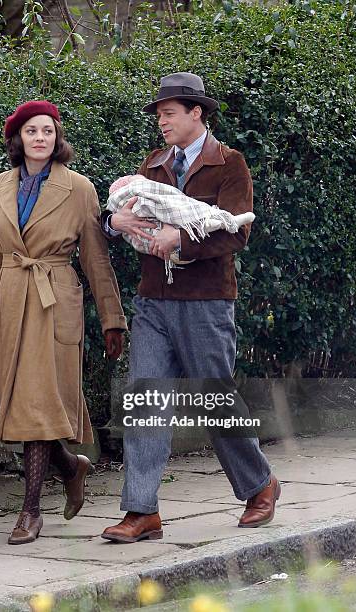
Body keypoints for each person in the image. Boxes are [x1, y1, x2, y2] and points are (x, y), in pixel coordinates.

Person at [99, 73, 280, 543]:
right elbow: (130, 214)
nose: (161, 122)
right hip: (154, 301)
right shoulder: (153, 164)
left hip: (205, 302)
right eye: (159, 115)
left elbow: (237, 231)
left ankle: (260, 485)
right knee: (146, 402)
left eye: (169, 114)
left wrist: (180, 238)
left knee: (214, 401)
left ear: (196, 113)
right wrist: (115, 221)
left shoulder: (230, 164)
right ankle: (141, 511)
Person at [0, 100, 127, 545]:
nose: (41, 139)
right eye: (33, 131)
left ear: (57, 139)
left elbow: (95, 258)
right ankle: (72, 468)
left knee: (37, 405)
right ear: (19, 139)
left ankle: (31, 511)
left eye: (48, 131)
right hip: (10, 304)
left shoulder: (78, 189)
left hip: (55, 302)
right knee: (24, 410)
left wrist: (112, 319)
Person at [107, 173, 255, 281]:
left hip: (207, 296)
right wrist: (115, 222)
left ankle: (215, 220)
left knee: (211, 219)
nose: (162, 127)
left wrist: (179, 238)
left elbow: (238, 235)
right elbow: (108, 229)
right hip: (153, 296)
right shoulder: (153, 161)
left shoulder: (229, 161)